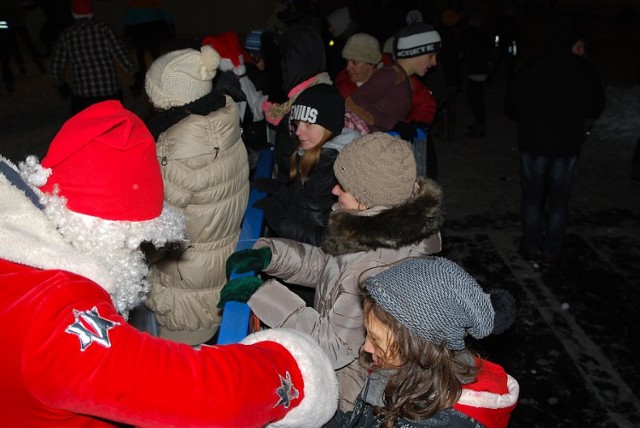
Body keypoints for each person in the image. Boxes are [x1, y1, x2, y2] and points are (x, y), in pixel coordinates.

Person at [0, 100, 339, 427]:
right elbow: (196, 394)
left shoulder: (18, 256)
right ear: (102, 228)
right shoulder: (52, 314)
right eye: (134, 242)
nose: (138, 256)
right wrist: (293, 369)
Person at [219, 132, 444, 410]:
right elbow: (329, 266)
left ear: (368, 199)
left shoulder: (375, 266)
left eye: (344, 187)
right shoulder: (374, 232)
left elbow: (333, 345)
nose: (335, 191)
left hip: (347, 395)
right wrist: (270, 256)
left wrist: (260, 294)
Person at [326, 257, 519, 428]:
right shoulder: (405, 376)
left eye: (375, 339)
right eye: (367, 333)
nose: (366, 347)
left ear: (418, 348)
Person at [142, 45, 250, 345]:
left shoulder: (176, 150)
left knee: (176, 370)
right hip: (215, 268)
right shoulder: (221, 122)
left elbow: (157, 232)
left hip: (185, 291)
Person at [508, 20, 605, 264]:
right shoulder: (583, 69)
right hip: (567, 144)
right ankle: (552, 247)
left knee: (532, 195)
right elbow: (596, 105)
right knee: (560, 197)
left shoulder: (532, 67)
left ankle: (531, 245)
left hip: (534, 143)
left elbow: (512, 105)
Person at [252, 83, 360, 247]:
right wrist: (279, 190)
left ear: (328, 126)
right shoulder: (314, 153)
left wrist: (283, 224)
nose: (298, 132)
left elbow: (331, 239)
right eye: (297, 124)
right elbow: (306, 201)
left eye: (308, 124)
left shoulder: (334, 170)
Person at [262, 24, 332, 179]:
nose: (282, 68)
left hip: (299, 188)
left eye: (285, 61)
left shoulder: (306, 104)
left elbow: (296, 163)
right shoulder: (320, 90)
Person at [346, 23, 441, 133]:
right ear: (415, 52)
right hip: (367, 145)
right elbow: (353, 102)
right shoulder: (389, 75)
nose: (434, 62)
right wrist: (394, 125)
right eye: (431, 56)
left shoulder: (405, 80)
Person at [50, 0, 136, 116]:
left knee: (85, 129)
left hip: (83, 95)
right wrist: (135, 73)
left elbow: (55, 68)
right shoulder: (104, 29)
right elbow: (122, 56)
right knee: (115, 125)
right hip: (110, 90)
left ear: (73, 13)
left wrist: (61, 84)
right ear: (91, 12)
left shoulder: (67, 35)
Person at [124, 0, 175, 94]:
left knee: (141, 59)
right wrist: (171, 28)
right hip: (152, 31)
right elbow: (166, 16)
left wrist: (127, 33)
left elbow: (128, 20)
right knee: (156, 57)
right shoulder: (154, 3)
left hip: (139, 32)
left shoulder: (133, 4)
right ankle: (163, 81)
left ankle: (139, 85)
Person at [334, 32, 382, 99]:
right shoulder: (341, 92)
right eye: (347, 61)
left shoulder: (388, 89)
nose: (348, 67)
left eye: (354, 62)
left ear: (371, 65)